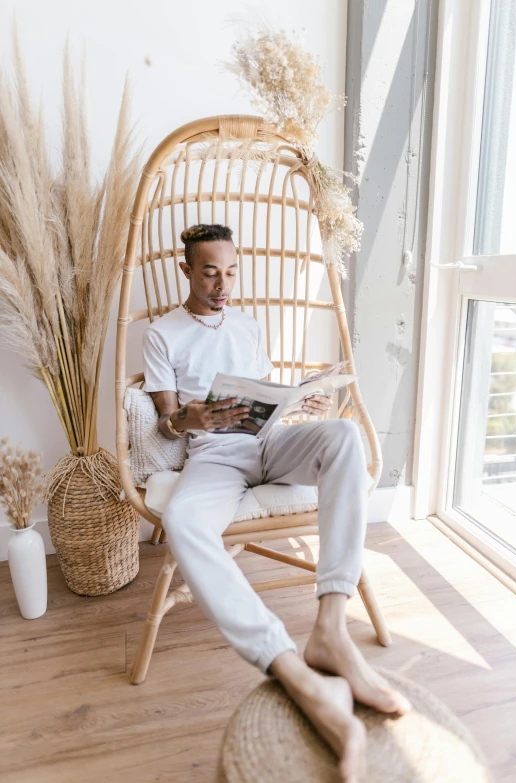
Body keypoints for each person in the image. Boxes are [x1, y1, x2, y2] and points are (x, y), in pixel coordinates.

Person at [143, 224, 409, 783]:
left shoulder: (246, 323)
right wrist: (189, 418)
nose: (222, 284)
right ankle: (288, 666)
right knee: (185, 520)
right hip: (213, 456)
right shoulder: (162, 333)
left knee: (343, 437)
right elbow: (168, 424)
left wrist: (295, 398)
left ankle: (331, 625)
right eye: (210, 271)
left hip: (268, 443)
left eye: (231, 271)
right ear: (186, 269)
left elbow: (261, 400)